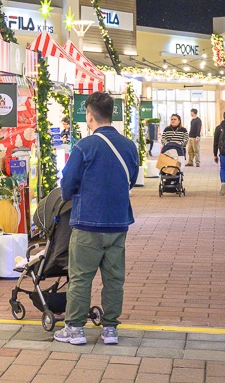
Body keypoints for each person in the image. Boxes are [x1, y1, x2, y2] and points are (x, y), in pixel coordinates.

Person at [53, 92, 140, 347]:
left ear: (89, 116)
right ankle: (110, 330)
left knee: (81, 277)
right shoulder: (128, 146)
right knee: (114, 279)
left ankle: (75, 330)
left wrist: (73, 195)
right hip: (118, 222)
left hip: (88, 222)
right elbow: (131, 180)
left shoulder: (84, 146)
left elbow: (67, 183)